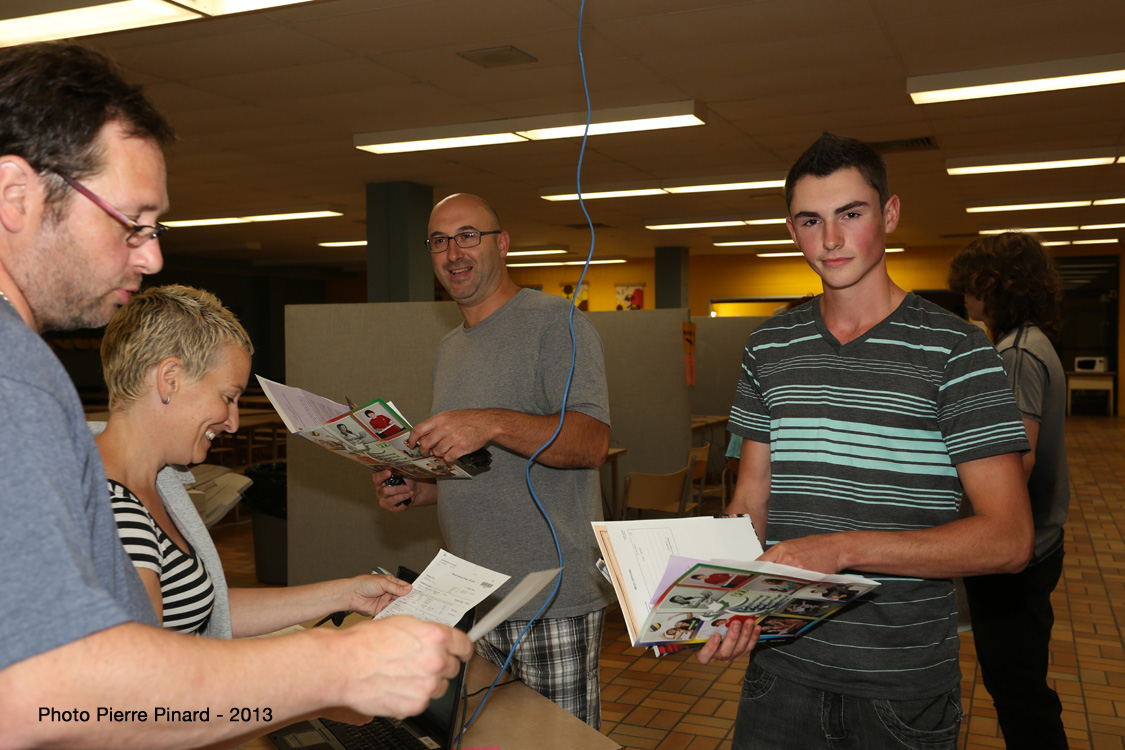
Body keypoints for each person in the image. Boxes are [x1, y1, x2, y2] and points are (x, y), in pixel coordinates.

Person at [0, 42, 471, 748]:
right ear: (17, 196)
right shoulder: (15, 379)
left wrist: (337, 615)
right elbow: (53, 695)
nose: (151, 254)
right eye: (132, 221)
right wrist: (337, 667)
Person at [700, 132, 1034, 750]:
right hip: (779, 672)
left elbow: (1009, 539)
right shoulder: (768, 346)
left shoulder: (958, 350)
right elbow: (751, 499)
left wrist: (840, 549)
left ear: (890, 214)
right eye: (810, 220)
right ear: (792, 230)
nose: (830, 239)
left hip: (901, 687)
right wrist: (720, 599)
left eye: (850, 214)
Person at [372, 193, 613, 727]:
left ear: (502, 244)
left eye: (467, 236)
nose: (453, 252)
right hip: (472, 597)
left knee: (558, 744)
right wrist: (420, 488)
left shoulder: (557, 324)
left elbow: (591, 442)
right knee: (489, 739)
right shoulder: (450, 349)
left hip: (548, 597)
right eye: (439, 241)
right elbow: (483, 473)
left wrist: (494, 422)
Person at [95, 284, 415, 637]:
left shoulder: (152, 480)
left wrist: (347, 594)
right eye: (228, 397)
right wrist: (329, 651)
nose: (232, 423)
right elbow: (143, 663)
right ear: (169, 380)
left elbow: (206, 611)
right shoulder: (110, 511)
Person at [949, 232, 1070, 749]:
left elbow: (1018, 458)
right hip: (1041, 542)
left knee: (1017, 690)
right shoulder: (1031, 342)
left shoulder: (1017, 354)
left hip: (1019, 553)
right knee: (1019, 683)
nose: (964, 296)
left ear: (995, 286)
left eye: (970, 285)